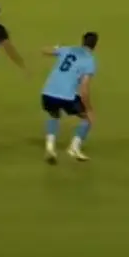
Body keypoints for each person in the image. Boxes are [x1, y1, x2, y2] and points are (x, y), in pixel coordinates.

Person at [40, 32, 99, 163]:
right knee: (87, 119)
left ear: (82, 41)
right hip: (67, 96)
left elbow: (45, 50)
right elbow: (84, 89)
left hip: (48, 92)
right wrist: (89, 109)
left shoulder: (68, 49)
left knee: (53, 115)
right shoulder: (90, 60)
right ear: (95, 45)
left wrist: (57, 47)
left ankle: (50, 148)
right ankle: (74, 148)